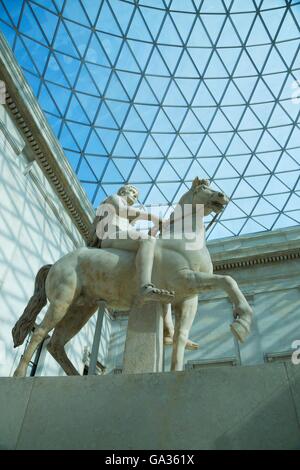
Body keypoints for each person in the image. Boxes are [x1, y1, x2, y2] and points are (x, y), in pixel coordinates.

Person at [87, 184, 174, 303]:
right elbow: (122, 210)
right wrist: (153, 217)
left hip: (121, 238)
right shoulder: (114, 198)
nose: (135, 196)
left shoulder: (128, 220)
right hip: (111, 237)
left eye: (136, 195)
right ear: (123, 191)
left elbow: (144, 239)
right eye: (132, 191)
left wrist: (156, 227)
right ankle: (144, 287)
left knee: (151, 243)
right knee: (148, 240)